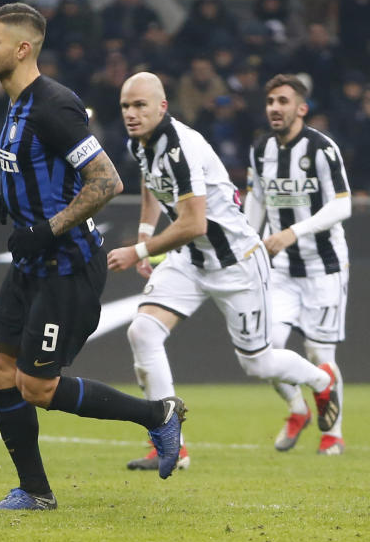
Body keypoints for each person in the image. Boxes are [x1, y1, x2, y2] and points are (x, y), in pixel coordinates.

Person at [0, 3, 187, 511]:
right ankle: (35, 492)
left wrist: (46, 227)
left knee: (37, 387)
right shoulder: (15, 103)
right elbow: (49, 170)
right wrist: (14, 196)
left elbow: (107, 180)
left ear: (23, 49)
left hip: (66, 266)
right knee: (0, 371)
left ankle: (157, 415)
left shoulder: (52, 104)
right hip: (32, 265)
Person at [106, 72, 341, 472]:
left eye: (140, 105)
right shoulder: (141, 142)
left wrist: (139, 249)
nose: (131, 113)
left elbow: (195, 223)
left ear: (162, 106)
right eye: (126, 106)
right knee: (142, 331)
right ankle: (171, 443)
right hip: (189, 259)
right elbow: (150, 183)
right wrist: (146, 230)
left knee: (258, 363)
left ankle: (322, 382)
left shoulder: (180, 145)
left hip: (236, 263)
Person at [245, 74, 350, 455]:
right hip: (281, 271)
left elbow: (343, 204)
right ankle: (297, 408)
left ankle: (332, 436)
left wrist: (293, 232)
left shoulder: (322, 149)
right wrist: (247, 243)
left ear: (300, 109)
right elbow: (256, 200)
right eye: (271, 100)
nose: (275, 107)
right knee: (263, 352)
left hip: (325, 269)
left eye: (283, 101)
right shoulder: (261, 149)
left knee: (321, 356)